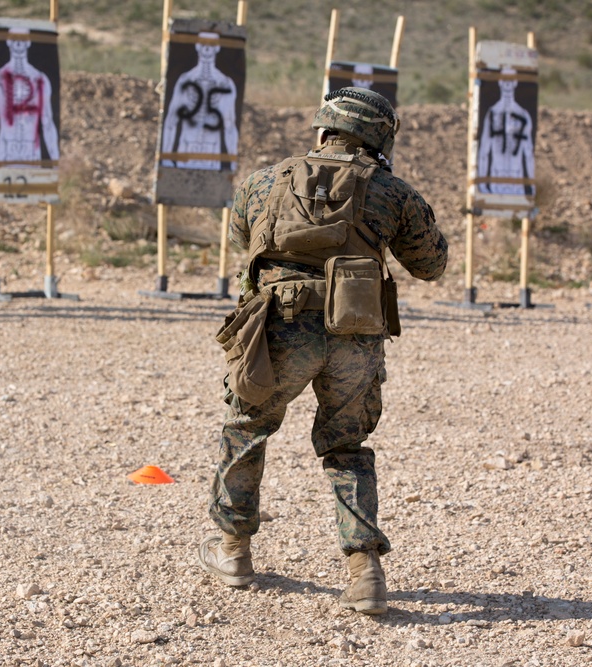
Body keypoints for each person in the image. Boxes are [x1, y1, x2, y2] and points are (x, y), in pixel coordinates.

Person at [199, 88, 448, 615]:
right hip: (354, 330)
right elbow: (431, 264)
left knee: (247, 430)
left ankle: (234, 552)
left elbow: (243, 238)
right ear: (380, 139)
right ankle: (365, 572)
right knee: (346, 447)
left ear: (323, 131)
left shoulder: (263, 181)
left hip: (279, 326)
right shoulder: (392, 191)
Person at [161, 31, 239, 171]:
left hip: (211, 149)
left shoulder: (225, 84)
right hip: (186, 146)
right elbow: (171, 120)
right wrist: (166, 156)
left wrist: (232, 161)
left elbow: (230, 125)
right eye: (203, 44)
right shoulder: (185, 80)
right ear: (197, 46)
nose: (207, 48)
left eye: (211, 44)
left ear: (217, 48)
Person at [0, 27, 60, 165]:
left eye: (22, 39)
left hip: (31, 149)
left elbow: (47, 122)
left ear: (28, 42)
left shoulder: (39, 79)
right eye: (14, 39)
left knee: (34, 187)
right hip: (7, 148)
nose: (18, 43)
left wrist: (54, 161)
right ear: (8, 42)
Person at [476, 67, 534, 196]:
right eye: (505, 80)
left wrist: (531, 185)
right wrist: (481, 184)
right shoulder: (492, 114)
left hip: (517, 182)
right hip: (496, 179)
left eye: (511, 80)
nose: (508, 84)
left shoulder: (523, 115)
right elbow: (484, 151)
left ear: (515, 82)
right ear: (500, 82)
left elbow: (528, 153)